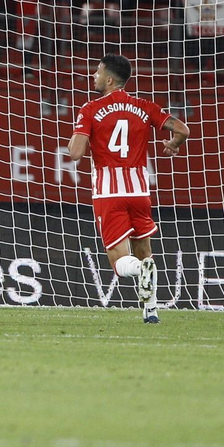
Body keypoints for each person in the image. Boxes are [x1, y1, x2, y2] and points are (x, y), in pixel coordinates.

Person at [67, 54, 190, 324]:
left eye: (98, 72)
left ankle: (139, 271)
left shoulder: (90, 108)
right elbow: (183, 129)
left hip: (109, 193)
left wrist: (79, 137)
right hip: (139, 191)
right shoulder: (144, 106)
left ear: (109, 79)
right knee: (145, 252)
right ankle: (151, 311)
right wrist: (174, 144)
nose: (94, 76)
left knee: (121, 263)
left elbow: (75, 153)